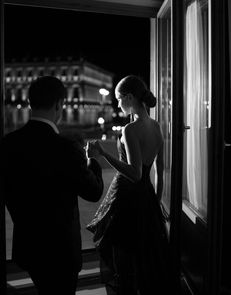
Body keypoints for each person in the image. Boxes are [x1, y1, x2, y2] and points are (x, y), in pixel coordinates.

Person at [0, 76, 104, 295]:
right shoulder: (66, 147)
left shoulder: (8, 144)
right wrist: (92, 160)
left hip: (28, 248)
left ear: (30, 103)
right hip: (61, 252)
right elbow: (93, 192)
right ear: (59, 104)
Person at [86, 75, 172, 295]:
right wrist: (157, 199)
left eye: (118, 99)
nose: (117, 104)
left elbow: (134, 173)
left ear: (130, 97)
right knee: (144, 257)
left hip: (128, 199)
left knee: (123, 258)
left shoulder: (130, 129)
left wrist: (103, 153)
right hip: (147, 198)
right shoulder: (156, 126)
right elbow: (158, 170)